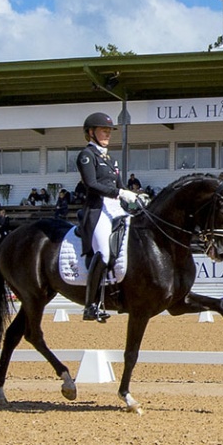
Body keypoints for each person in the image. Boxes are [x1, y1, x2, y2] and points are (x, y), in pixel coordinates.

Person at [77, 112, 136, 323]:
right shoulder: (87, 155)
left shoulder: (109, 158)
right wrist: (120, 193)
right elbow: (91, 184)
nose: (107, 134)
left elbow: (119, 186)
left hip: (116, 208)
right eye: (104, 130)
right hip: (98, 209)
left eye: (109, 131)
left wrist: (134, 196)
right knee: (103, 252)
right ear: (91, 133)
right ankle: (90, 305)